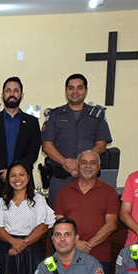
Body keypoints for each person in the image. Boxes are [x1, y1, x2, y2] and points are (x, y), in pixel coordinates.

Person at [54, 150, 120, 274]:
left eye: (93, 162)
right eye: (84, 162)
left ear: (99, 167)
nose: (88, 166)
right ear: (77, 166)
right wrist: (75, 244)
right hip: (67, 256)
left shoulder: (109, 192)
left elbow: (111, 225)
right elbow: (58, 222)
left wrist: (87, 244)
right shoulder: (65, 191)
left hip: (98, 255)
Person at [41, 74, 112, 206]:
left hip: (88, 178)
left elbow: (101, 145)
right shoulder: (54, 115)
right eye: (71, 88)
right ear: (66, 90)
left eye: (79, 88)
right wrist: (67, 163)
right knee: (58, 220)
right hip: (60, 178)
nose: (75, 92)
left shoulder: (97, 115)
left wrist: (80, 162)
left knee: (89, 218)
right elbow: (47, 146)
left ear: (86, 90)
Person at [0, 76, 42, 206]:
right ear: (2, 95)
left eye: (15, 91)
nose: (11, 94)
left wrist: (15, 173)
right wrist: (4, 173)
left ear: (21, 94)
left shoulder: (31, 122)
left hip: (23, 182)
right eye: (8, 90)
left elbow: (33, 152)